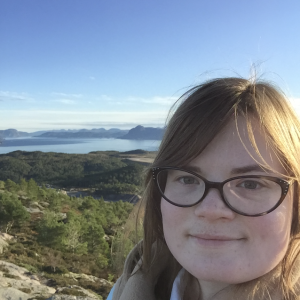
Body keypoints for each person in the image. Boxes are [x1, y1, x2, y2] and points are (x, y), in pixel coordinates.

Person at [107, 76, 300, 300]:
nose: (210, 209)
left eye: (251, 184)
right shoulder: (131, 285)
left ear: (296, 204)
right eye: (188, 179)